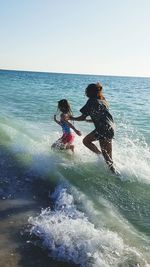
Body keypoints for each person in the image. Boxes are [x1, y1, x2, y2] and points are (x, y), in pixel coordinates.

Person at [70, 83, 117, 173]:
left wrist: (71, 118)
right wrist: (91, 120)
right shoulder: (103, 101)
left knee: (86, 141)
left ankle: (113, 172)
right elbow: (105, 116)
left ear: (90, 92)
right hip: (111, 127)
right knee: (108, 155)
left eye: (87, 90)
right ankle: (112, 170)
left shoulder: (91, 101)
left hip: (103, 128)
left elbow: (82, 117)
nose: (85, 92)